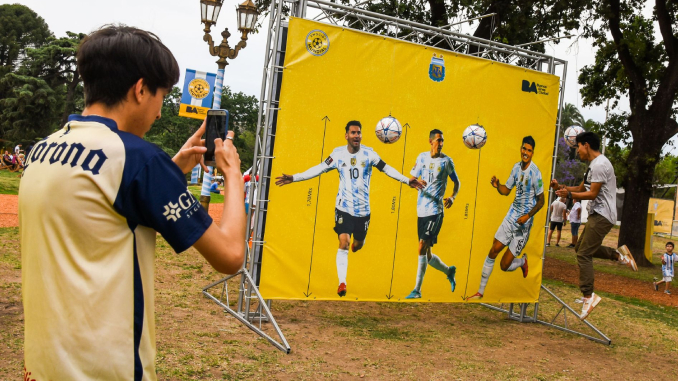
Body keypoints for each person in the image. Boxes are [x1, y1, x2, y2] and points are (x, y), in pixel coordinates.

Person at [19, 25, 246, 380]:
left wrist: (171, 169)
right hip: (106, 369)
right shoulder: (139, 159)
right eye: (161, 97)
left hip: (44, 364)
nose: (158, 114)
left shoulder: (42, 149)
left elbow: (105, 208)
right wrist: (233, 175)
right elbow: (230, 255)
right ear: (140, 89)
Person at [275, 121, 424, 297]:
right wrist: (295, 178)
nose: (356, 136)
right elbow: (319, 168)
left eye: (359, 133)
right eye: (353, 133)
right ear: (346, 135)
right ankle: (342, 283)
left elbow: (387, 169)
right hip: (343, 208)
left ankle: (357, 244)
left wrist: (407, 180)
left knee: (357, 244)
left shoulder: (369, 154)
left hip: (363, 211)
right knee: (343, 243)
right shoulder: (337, 155)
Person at [552, 131, 636, 320]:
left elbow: (592, 194)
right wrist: (561, 188)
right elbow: (582, 189)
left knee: (583, 253)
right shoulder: (593, 165)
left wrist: (570, 196)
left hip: (603, 215)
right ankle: (618, 255)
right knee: (581, 248)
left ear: (586, 145)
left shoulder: (600, 164)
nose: (577, 151)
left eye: (578, 147)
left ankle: (589, 297)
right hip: (598, 215)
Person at [468, 136, 545, 300]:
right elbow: (506, 190)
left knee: (504, 265)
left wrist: (527, 216)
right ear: (521, 148)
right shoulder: (516, 168)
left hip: (522, 225)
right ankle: (480, 292)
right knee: (493, 250)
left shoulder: (535, 173)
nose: (525, 153)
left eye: (529, 150)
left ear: (532, 153)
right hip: (511, 216)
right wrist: (498, 185)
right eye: (524, 149)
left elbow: (542, 201)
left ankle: (521, 262)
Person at [404, 129, 461, 299]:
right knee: (427, 254)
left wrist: (452, 197)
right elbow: (411, 180)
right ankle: (449, 271)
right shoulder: (421, 158)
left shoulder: (446, 162)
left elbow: (456, 182)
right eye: (438, 140)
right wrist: (415, 182)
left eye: (442, 140)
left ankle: (417, 290)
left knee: (421, 246)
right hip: (421, 210)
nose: (441, 143)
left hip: (435, 211)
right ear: (430, 141)